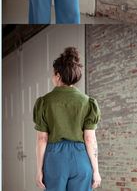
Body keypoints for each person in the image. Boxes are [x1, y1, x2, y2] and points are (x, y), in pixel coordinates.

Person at [33, 47, 102, 190]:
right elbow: (90, 139)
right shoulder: (88, 102)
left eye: (53, 74)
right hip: (81, 158)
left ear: (57, 75)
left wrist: (39, 171)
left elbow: (42, 139)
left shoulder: (44, 102)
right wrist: (96, 171)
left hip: (55, 159)